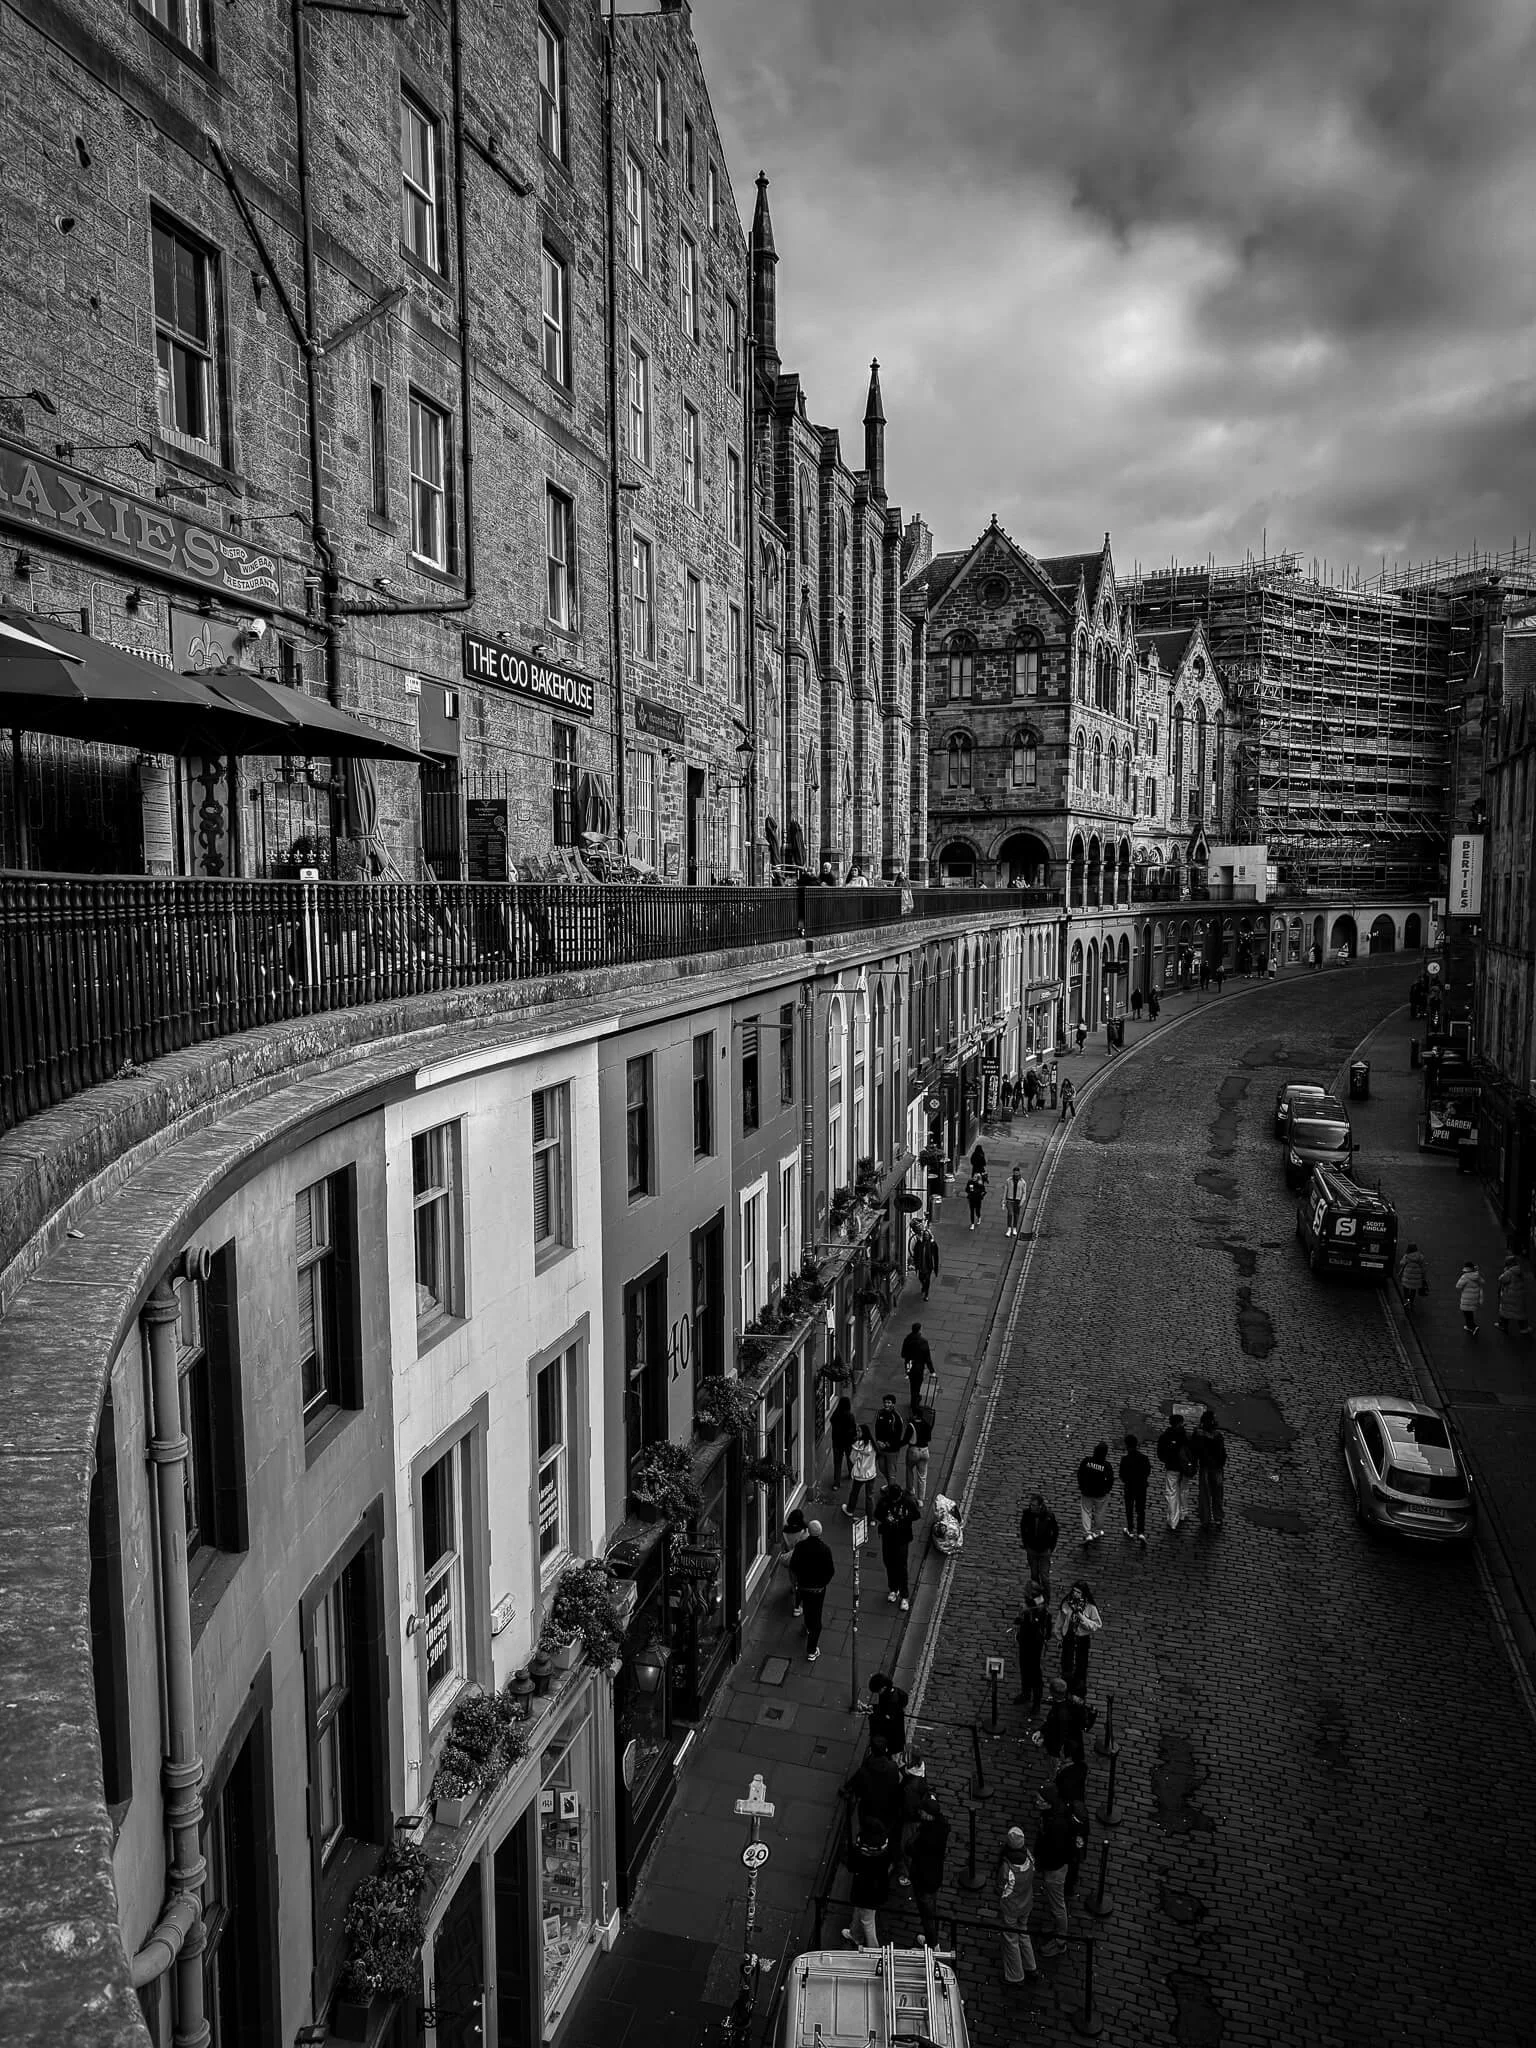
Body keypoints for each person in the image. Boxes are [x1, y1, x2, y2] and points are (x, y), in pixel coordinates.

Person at [1033, 1783, 1082, 1956]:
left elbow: (1055, 1851)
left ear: (1048, 1803)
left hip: (1055, 1869)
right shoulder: (1053, 1815)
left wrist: (1042, 1864)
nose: (1036, 1802)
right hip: (1052, 1866)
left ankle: (1061, 1941)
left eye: (1040, 1800)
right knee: (1056, 1902)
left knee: (1058, 1905)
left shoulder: (1057, 1825)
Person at [996, 1826, 1040, 1987]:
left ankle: (1015, 1975)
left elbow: (1002, 1888)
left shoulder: (1007, 1867)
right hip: (1026, 1903)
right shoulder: (1029, 1858)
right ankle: (1031, 1966)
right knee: (1024, 1933)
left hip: (1011, 1908)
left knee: (1011, 1940)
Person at [908, 1786, 951, 1948]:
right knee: (931, 1910)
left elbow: (914, 1850)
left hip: (924, 1879)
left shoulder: (928, 1836)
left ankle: (932, 1944)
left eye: (923, 1812)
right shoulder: (941, 1827)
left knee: (927, 1914)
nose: (920, 1813)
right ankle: (932, 1940)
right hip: (934, 1876)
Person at [788, 1519, 835, 1662]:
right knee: (817, 1621)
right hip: (818, 1590)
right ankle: (812, 1650)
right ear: (820, 1533)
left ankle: (807, 1626)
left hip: (803, 1587)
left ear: (808, 1531)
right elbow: (830, 1571)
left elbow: (794, 1565)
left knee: (808, 1609)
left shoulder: (801, 1546)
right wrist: (822, 1583)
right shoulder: (825, 1549)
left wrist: (799, 1581)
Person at [845, 1734, 903, 1840]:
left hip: (868, 1807)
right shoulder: (893, 1767)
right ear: (886, 1749)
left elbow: (855, 1787)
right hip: (886, 1807)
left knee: (867, 1830)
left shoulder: (865, 1771)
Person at [842, 1824, 891, 1949]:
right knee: (860, 1912)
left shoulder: (864, 1858)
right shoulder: (883, 1852)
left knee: (867, 1921)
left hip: (865, 1892)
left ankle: (873, 1949)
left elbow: (852, 1866)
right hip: (877, 1889)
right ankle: (855, 1934)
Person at [874, 1482, 921, 1610]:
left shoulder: (908, 1501)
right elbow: (877, 1514)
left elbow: (916, 1515)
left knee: (901, 1566)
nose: (894, 1500)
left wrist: (904, 1518)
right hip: (888, 1537)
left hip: (902, 1538)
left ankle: (905, 1596)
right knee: (889, 1563)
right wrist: (885, 1519)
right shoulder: (885, 1501)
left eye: (896, 1498)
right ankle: (893, 1589)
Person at [1057, 1581, 1102, 1693]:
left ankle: (1078, 1691)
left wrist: (1081, 1617)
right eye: (1074, 1591)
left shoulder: (1090, 1607)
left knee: (1081, 1666)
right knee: (1066, 1664)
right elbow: (1060, 1620)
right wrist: (1059, 1636)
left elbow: (1096, 1625)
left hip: (1082, 1639)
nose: (1075, 1594)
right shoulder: (1067, 1603)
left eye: (1079, 1592)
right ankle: (1065, 1688)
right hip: (1069, 1637)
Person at [1015, 1584, 1052, 1717]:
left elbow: (1045, 1626)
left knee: (1035, 1673)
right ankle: (1026, 1693)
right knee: (1024, 1667)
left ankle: (1036, 1702)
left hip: (1035, 1643)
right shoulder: (1029, 1603)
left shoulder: (1040, 1606)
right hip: (1025, 1640)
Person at [1156, 1412, 1196, 1530]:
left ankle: (1173, 1520)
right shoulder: (1186, 1436)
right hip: (1184, 1468)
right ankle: (1183, 1512)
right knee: (1183, 1489)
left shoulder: (1165, 1436)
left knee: (1172, 1493)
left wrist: (1168, 1460)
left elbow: (1161, 1454)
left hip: (1172, 1468)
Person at [1018, 1492, 1060, 1593]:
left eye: (1034, 1505)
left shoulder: (1049, 1516)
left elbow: (1055, 1532)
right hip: (1032, 1549)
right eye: (1030, 1505)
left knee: (1044, 1576)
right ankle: (1036, 1599)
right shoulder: (1027, 1514)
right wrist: (1026, 1545)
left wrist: (1051, 1547)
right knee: (1034, 1574)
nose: (1031, 1507)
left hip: (1045, 1550)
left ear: (1040, 1506)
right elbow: (1023, 1530)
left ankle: (1046, 1598)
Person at [1194, 1410, 1227, 1531]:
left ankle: (1205, 1518)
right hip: (1217, 1468)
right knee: (1217, 1493)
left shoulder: (1199, 1435)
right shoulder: (1218, 1436)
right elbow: (1222, 1452)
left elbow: (1196, 1450)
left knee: (1205, 1494)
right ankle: (1218, 1516)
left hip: (1205, 1467)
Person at [1076, 1440, 1114, 1543]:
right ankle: (1097, 1531)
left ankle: (1087, 1533)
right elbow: (1110, 1480)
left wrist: (1082, 1486)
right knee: (1100, 1512)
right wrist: (1107, 1490)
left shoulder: (1086, 1461)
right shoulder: (1106, 1466)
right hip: (1100, 1494)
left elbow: (1080, 1474)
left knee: (1086, 1511)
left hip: (1087, 1492)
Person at [867, 1672, 910, 1755]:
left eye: (878, 1691)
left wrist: (873, 1712)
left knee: (890, 1745)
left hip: (891, 1728)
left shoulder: (892, 1700)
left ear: (884, 1687)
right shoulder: (889, 1692)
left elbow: (886, 1716)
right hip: (894, 1723)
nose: (878, 1693)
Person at [1119, 1432, 1151, 1545]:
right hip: (1141, 1487)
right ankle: (1141, 1532)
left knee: (1129, 1508)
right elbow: (1147, 1471)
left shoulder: (1125, 1459)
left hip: (1129, 1487)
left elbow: (1121, 1475)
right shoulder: (1144, 1458)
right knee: (1140, 1510)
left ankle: (1130, 1529)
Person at [777, 1507, 809, 1614]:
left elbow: (785, 1546)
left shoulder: (785, 1532)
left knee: (793, 1576)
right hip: (801, 1560)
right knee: (801, 1583)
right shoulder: (804, 1532)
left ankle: (793, 1586)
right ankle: (797, 1607)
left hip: (791, 1559)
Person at [844, 1426, 879, 1519]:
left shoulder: (857, 1445)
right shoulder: (872, 1445)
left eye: (859, 1431)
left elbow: (852, 1459)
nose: (857, 1432)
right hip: (871, 1474)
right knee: (870, 1496)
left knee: (854, 1493)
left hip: (860, 1474)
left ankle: (850, 1510)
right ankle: (870, 1517)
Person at [873, 1393, 907, 1487]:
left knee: (891, 1471)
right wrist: (878, 1441)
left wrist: (887, 1444)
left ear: (893, 1404)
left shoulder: (896, 1417)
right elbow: (877, 1428)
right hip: (881, 1447)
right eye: (885, 1402)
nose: (886, 1404)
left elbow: (897, 1435)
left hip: (892, 1450)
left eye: (889, 1402)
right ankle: (891, 1486)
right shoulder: (880, 1413)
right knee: (882, 1467)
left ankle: (892, 1491)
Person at [902, 1321, 933, 1416]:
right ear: (919, 1330)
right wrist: (932, 1370)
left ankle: (913, 1400)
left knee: (912, 1384)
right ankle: (915, 1405)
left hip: (909, 1366)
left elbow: (903, 1354)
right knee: (917, 1385)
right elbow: (927, 1357)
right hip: (919, 1368)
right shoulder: (923, 1342)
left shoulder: (907, 1339)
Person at [1497, 1253, 1531, 1337]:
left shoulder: (1509, 1272)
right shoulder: (1519, 1271)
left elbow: (1501, 1279)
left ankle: (1503, 1326)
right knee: (1520, 1313)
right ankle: (1524, 1328)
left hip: (1509, 1296)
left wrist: (1505, 1271)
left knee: (1505, 1312)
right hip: (1519, 1296)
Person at [829, 1392, 858, 1486]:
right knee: (850, 1460)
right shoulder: (850, 1416)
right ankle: (851, 1474)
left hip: (837, 1443)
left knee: (837, 1464)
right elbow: (853, 1429)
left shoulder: (835, 1415)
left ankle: (836, 1482)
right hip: (848, 1443)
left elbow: (832, 1423)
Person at [906, 1410, 933, 1505]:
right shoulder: (926, 1424)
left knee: (909, 1469)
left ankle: (910, 1489)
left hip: (913, 1450)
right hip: (925, 1451)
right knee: (922, 1476)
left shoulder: (911, 1425)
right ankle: (921, 1499)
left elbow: (906, 1439)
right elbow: (929, 1438)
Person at [1396, 1243, 1429, 1313]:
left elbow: (1401, 1263)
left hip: (1407, 1277)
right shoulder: (1420, 1257)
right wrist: (1423, 1277)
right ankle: (1411, 1302)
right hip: (1416, 1278)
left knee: (1406, 1287)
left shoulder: (1406, 1256)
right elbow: (1423, 1269)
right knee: (1413, 1290)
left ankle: (1407, 1300)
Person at [912, 1221, 940, 1302]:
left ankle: (926, 1294)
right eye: (925, 1235)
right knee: (921, 1278)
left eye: (927, 1235)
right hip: (921, 1265)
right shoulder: (919, 1243)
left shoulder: (932, 1244)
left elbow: (936, 1256)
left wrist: (935, 1267)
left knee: (927, 1279)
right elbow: (915, 1253)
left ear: (929, 1236)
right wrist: (915, 1263)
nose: (926, 1237)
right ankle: (924, 1286)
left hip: (928, 1266)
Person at [1456, 1259, 1484, 1338]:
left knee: (1466, 1313)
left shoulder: (1465, 1277)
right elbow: (1482, 1282)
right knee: (1470, 1313)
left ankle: (1472, 1327)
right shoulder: (1477, 1275)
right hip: (1474, 1298)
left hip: (1466, 1299)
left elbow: (1458, 1286)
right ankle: (1471, 1325)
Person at [1004, 1163, 1027, 1236]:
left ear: (1019, 1173)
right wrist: (1003, 1201)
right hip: (1010, 1200)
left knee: (1016, 1215)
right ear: (1013, 1173)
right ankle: (1009, 1229)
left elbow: (1024, 1193)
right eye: (1015, 1173)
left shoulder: (1023, 1182)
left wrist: (1022, 1202)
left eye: (1017, 1173)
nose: (1016, 1175)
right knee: (1010, 1214)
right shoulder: (1009, 1180)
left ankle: (1014, 1228)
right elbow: (1005, 1191)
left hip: (1018, 1201)